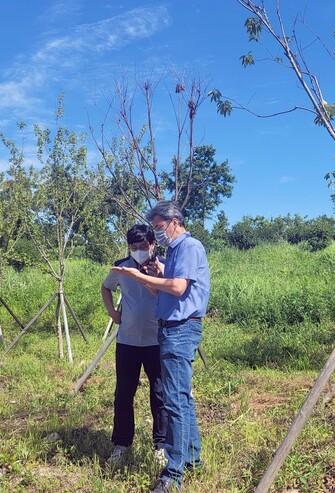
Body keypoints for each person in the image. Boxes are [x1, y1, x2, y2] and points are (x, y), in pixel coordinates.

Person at [111, 201, 210, 493]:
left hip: (180, 330)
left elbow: (179, 288)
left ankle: (173, 474)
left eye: (158, 227)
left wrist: (138, 276)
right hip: (169, 329)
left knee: (174, 402)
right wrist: (150, 279)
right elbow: (165, 292)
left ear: (174, 222)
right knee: (182, 399)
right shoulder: (175, 251)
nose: (157, 233)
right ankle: (192, 460)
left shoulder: (189, 247)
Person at [101, 224, 167, 465]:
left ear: (153, 245)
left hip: (156, 341)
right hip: (127, 341)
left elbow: (170, 295)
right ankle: (121, 443)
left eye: (142, 247)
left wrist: (153, 277)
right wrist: (113, 314)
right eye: (133, 247)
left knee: (159, 394)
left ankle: (161, 445)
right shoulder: (122, 267)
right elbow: (106, 288)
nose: (138, 251)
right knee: (124, 393)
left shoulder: (163, 267)